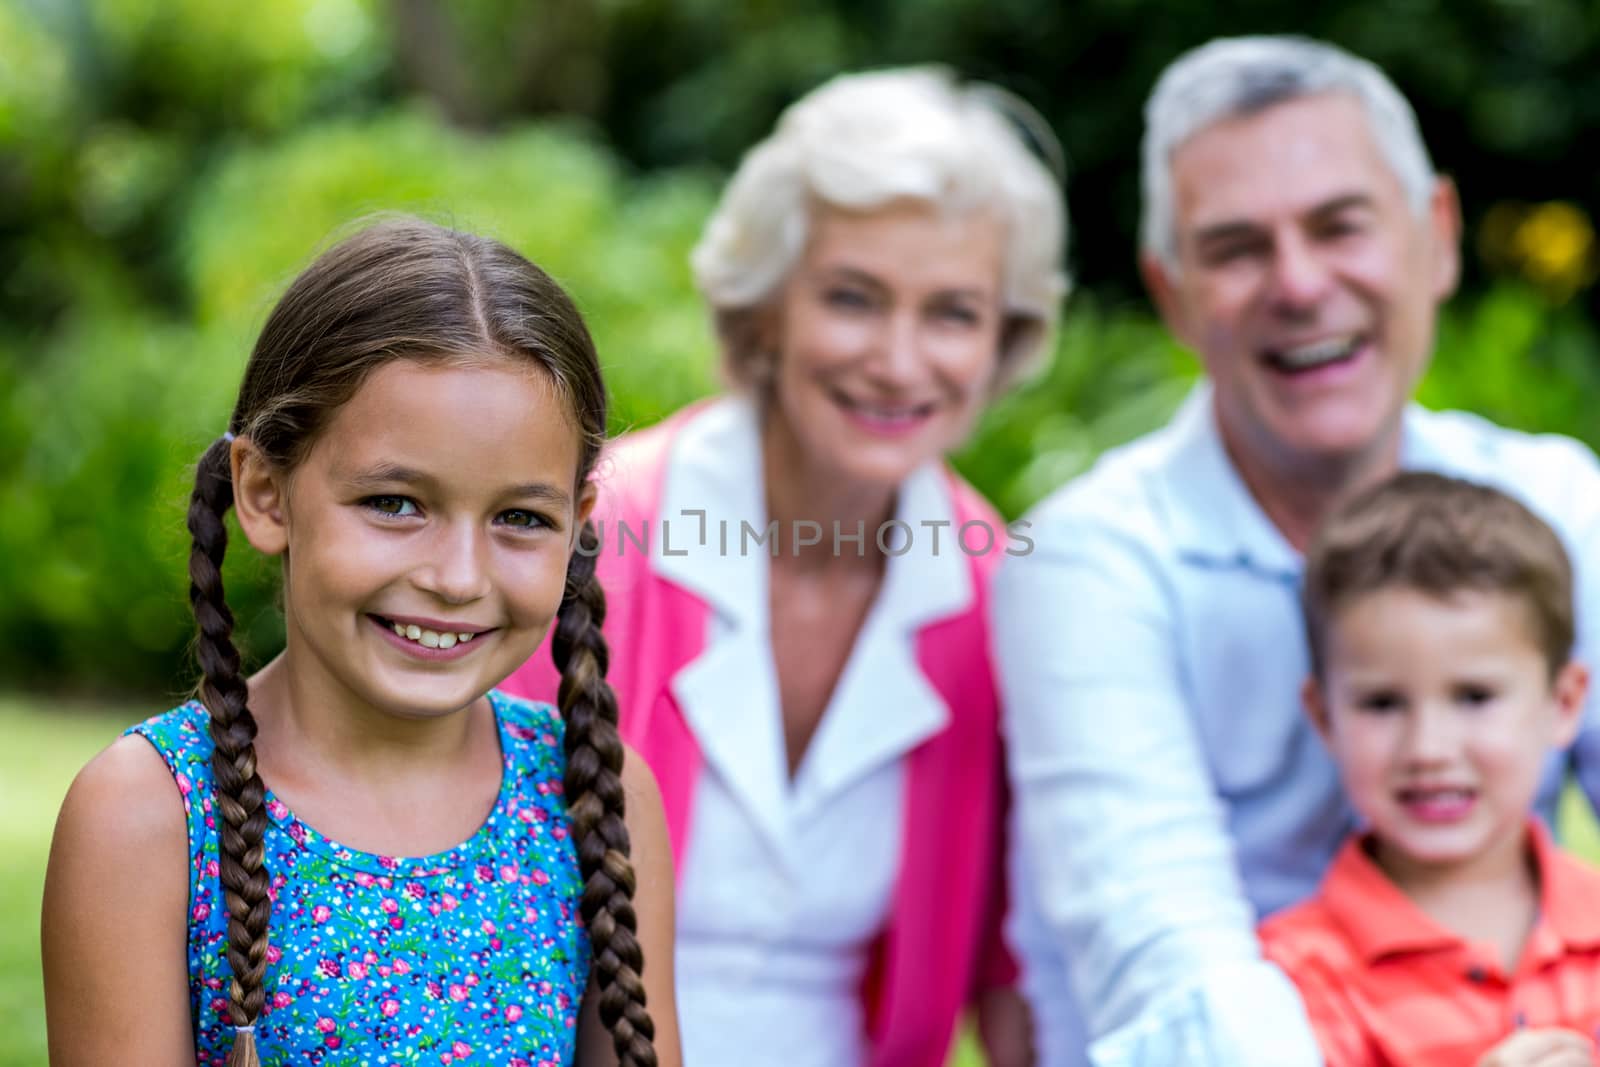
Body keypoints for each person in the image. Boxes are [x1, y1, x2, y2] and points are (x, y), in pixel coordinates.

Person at [994, 34, 1600, 1067]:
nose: (1298, 282)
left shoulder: (1553, 500)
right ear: (1171, 290)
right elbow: (1166, 963)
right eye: (1235, 248)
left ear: (1437, 237)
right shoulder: (1090, 561)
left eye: (1340, 225)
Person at [504, 67, 1068, 1067]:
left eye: (951, 313)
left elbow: (1015, 967)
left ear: (1002, 339)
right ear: (763, 312)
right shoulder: (590, 534)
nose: (899, 360)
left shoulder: (1002, 597)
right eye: (854, 297)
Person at [40, 218, 682, 1067]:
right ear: (266, 493)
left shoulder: (595, 798)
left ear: (579, 529)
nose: (457, 576)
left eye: (521, 518)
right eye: (395, 503)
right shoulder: (148, 817)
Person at [1263, 472, 1600, 1067]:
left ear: (1565, 703)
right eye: (1382, 703)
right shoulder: (1291, 983)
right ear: (1323, 716)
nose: (1429, 748)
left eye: (1474, 697)